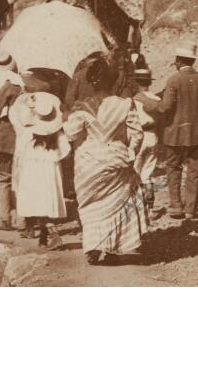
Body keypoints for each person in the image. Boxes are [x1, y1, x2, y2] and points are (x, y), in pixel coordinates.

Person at [64, 74, 149, 265]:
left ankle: (93, 244)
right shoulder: (125, 104)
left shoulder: (82, 106)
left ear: (90, 83)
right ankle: (113, 248)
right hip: (116, 156)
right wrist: (130, 153)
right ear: (114, 82)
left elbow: (71, 133)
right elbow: (137, 134)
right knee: (115, 204)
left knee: (90, 205)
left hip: (88, 161)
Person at [143, 45, 198, 219]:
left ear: (179, 61)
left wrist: (147, 102)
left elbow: (164, 107)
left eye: (176, 60)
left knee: (173, 167)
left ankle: (176, 205)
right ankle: (191, 208)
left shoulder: (173, 80)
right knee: (194, 169)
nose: (174, 63)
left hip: (175, 132)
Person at [10, 78, 70, 249]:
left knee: (36, 202)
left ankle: (52, 232)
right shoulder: (57, 134)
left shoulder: (27, 134)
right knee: (46, 202)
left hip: (32, 170)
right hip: (50, 170)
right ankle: (43, 237)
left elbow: (20, 155)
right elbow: (65, 152)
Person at [0, 49, 25, 231]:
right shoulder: (32, 86)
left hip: (7, 133)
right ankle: (22, 219)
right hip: (25, 135)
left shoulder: (8, 87)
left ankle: (4, 217)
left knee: (3, 177)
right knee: (21, 177)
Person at [126, 67, 162, 211]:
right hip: (153, 136)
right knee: (148, 173)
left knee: (136, 172)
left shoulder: (132, 100)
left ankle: (138, 209)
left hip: (139, 138)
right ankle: (150, 208)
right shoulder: (156, 99)